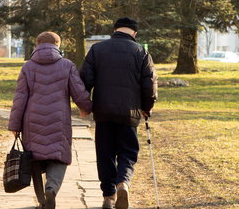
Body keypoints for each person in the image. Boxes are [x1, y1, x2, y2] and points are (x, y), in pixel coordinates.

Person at [80, 17, 158, 209]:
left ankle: (108, 196)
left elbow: (84, 80)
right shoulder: (141, 52)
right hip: (129, 113)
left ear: (115, 30)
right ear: (134, 33)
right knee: (128, 151)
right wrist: (146, 108)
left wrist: (85, 105)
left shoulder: (97, 49)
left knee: (105, 153)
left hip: (103, 112)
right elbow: (150, 85)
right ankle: (123, 182)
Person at [8, 31, 92, 209]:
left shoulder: (28, 67)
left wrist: (15, 125)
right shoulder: (67, 65)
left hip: (32, 122)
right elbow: (79, 92)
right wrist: (87, 108)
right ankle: (52, 188)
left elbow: (20, 98)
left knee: (35, 159)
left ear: (37, 45)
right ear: (58, 45)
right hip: (58, 120)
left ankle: (42, 201)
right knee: (58, 157)